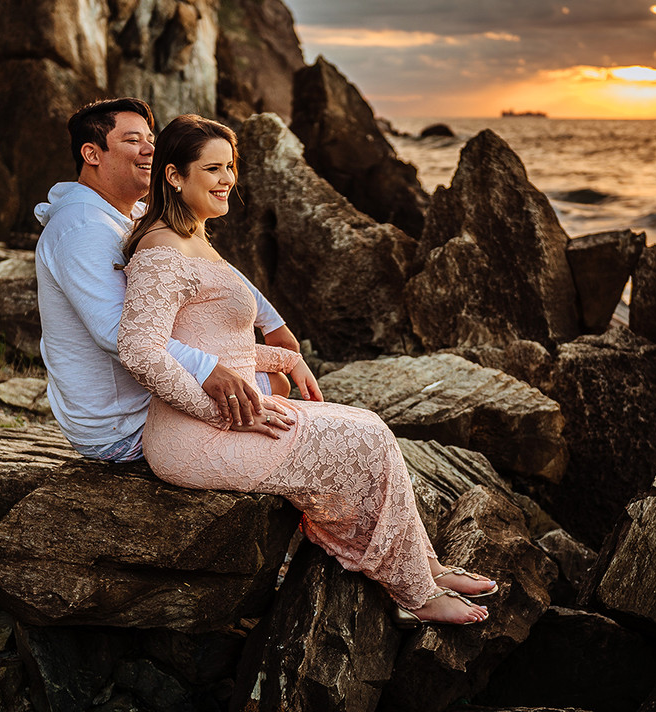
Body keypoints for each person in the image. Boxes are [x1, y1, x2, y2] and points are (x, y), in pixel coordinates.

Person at [116, 113, 495, 625]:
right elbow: (141, 351)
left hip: (221, 416)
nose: (228, 178)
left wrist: (282, 359)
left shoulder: (193, 237)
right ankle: (416, 593)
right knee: (368, 439)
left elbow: (213, 344)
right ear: (175, 176)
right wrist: (227, 414)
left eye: (231, 167)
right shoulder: (161, 251)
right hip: (194, 435)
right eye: (212, 169)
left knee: (369, 430)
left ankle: (421, 565)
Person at [36, 98, 298, 463]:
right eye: (133, 140)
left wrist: (271, 322)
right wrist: (208, 369)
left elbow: (211, 266)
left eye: (151, 137)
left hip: (150, 393)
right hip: (122, 427)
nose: (150, 149)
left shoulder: (135, 214)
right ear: (92, 154)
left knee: (278, 383)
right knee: (278, 409)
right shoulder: (81, 229)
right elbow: (116, 332)